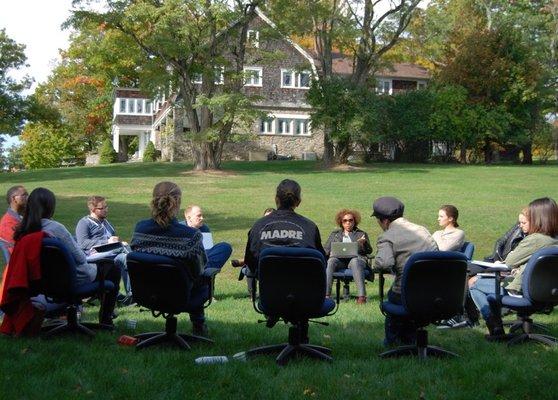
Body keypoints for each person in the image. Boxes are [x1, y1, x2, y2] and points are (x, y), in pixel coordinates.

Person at [12, 188, 120, 326]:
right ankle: (106, 320)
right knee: (113, 268)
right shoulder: (55, 228)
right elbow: (80, 258)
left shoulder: (23, 230)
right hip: (71, 279)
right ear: (50, 207)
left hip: (42, 283)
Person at [469, 197, 558, 338]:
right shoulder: (555, 240)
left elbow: (509, 262)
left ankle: (495, 327)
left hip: (525, 291)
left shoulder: (535, 239)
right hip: (550, 294)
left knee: (474, 283)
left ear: (539, 218)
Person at [130, 182, 209, 336]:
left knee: (220, 249)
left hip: (148, 292)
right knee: (218, 254)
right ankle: (199, 325)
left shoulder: (140, 229)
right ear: (178, 202)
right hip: (182, 293)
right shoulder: (190, 235)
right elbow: (199, 271)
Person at [372, 196, 438, 346]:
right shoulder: (423, 230)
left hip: (405, 294)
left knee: (393, 294)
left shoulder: (387, 236)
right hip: (434, 292)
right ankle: (411, 337)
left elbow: (384, 263)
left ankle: (392, 342)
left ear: (385, 221)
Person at [243, 179, 325, 275]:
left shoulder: (258, 226)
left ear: (276, 199)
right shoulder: (310, 227)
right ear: (298, 202)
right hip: (302, 286)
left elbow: (251, 262)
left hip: (269, 287)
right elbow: (321, 262)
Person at [75, 196, 131, 302]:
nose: (106, 210)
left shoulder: (106, 223)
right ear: (92, 209)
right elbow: (82, 243)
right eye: (102, 208)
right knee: (124, 250)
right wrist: (107, 242)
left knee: (126, 257)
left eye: (106, 207)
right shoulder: (84, 223)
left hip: (110, 252)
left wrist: (116, 242)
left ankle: (131, 295)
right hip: (94, 255)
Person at [324, 209, 372, 304]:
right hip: (340, 261)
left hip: (356, 260)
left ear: (355, 221)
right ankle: (326, 296)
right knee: (331, 261)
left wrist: (364, 243)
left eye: (350, 220)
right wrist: (328, 253)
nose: (348, 223)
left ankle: (362, 297)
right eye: (345, 221)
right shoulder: (335, 235)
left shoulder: (361, 234)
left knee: (355, 261)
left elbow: (369, 251)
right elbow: (325, 250)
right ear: (341, 222)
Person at [183, 205, 232, 271]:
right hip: (186, 260)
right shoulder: (180, 229)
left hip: (200, 259)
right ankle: (204, 271)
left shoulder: (204, 228)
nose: (202, 218)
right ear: (189, 218)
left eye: (202, 216)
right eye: (199, 216)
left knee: (225, 247)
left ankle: (205, 270)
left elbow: (208, 250)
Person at [0, 185, 28, 255]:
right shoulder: (7, 224)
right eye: (24, 195)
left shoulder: (26, 215)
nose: (28, 198)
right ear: (14, 199)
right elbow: (20, 250)